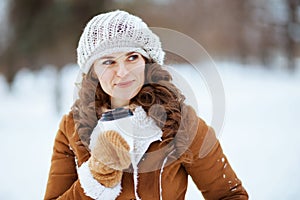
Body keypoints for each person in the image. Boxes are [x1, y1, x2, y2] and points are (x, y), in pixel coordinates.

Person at [44, 10, 248, 200]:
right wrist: (94, 179)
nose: (122, 72)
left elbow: (230, 195)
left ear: (146, 62)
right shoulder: (72, 128)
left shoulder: (180, 122)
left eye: (132, 57)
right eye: (108, 62)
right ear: (93, 71)